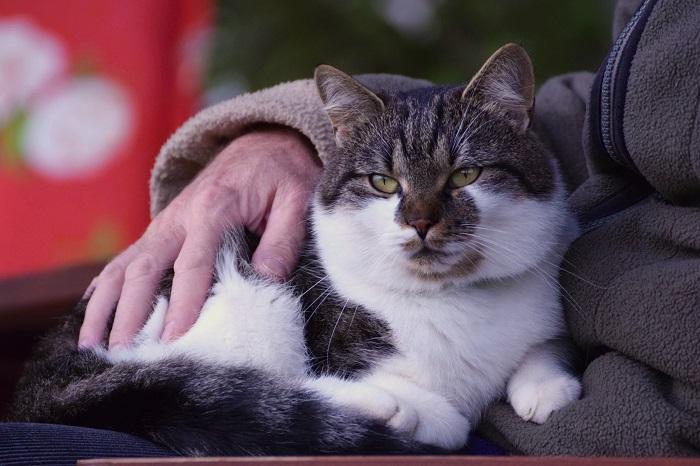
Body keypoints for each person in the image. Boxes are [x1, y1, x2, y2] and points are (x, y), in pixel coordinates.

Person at [4, 0, 699, 463]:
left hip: (597, 436)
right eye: (390, 188)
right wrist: (281, 130)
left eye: (459, 182)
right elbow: (595, 104)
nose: (423, 217)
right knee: (262, 308)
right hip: (141, 379)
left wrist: (535, 363)